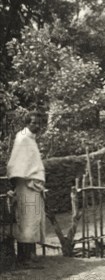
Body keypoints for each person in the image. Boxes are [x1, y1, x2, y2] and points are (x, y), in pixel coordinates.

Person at [7, 111, 46, 265]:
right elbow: (16, 163)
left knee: (33, 219)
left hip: (33, 185)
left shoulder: (31, 139)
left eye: (39, 123)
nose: (37, 125)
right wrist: (20, 182)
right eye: (33, 122)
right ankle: (23, 258)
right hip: (25, 185)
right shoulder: (22, 138)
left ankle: (30, 255)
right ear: (27, 123)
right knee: (26, 220)